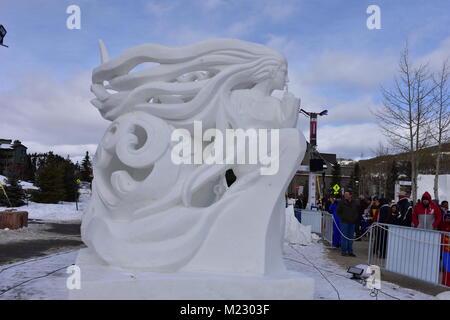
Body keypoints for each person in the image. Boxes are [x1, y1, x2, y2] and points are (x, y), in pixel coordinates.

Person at [337, 191, 360, 257]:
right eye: (345, 194)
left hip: (352, 222)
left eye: (347, 194)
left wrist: (355, 218)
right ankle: (343, 251)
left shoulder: (355, 202)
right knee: (344, 237)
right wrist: (343, 217)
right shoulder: (341, 202)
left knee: (351, 237)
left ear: (350, 195)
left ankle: (350, 251)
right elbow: (338, 212)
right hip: (344, 222)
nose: (346, 196)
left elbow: (357, 211)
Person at [440, 213, 450, 286]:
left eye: (449, 218)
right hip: (444, 250)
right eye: (446, 218)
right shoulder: (442, 225)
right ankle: (444, 282)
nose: (447, 219)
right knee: (445, 266)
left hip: (447, 249)